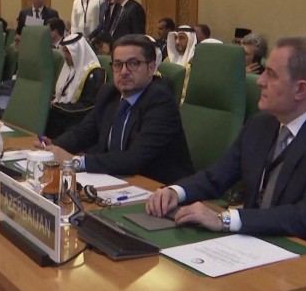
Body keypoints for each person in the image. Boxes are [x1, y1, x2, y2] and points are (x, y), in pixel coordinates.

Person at [147, 37, 306, 257]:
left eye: (271, 74)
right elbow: (216, 177)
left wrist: (225, 219)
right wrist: (176, 192)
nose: (260, 81)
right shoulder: (260, 124)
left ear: (300, 89)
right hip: (252, 243)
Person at [40, 34, 194, 183]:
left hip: (157, 188)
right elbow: (84, 132)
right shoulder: (110, 93)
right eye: (118, 65)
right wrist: (52, 146)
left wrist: (75, 161)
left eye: (133, 64)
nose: (124, 72)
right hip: (115, 180)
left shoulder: (160, 100)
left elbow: (135, 158)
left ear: (151, 67)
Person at [44, 33, 105, 138]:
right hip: (63, 114)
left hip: (78, 120)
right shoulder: (69, 68)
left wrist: (57, 107)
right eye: (64, 51)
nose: (65, 56)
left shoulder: (95, 73)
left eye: (68, 52)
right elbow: (62, 94)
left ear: (78, 51)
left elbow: (88, 106)